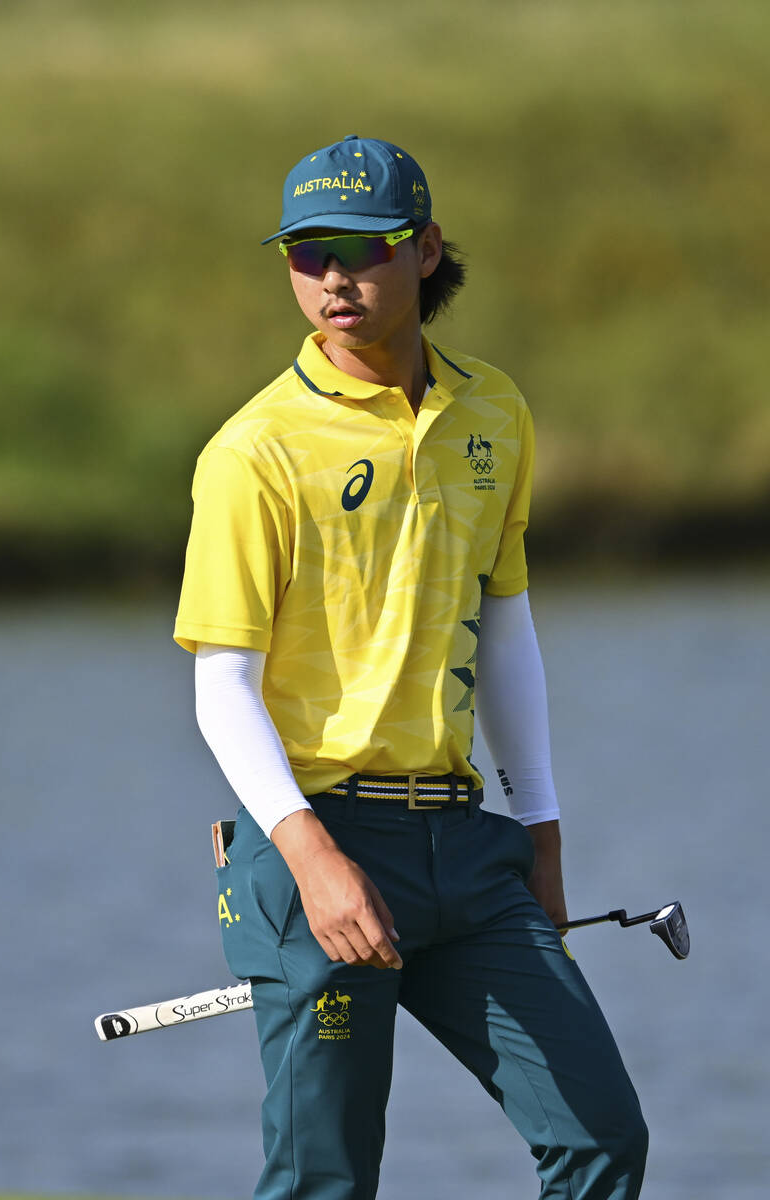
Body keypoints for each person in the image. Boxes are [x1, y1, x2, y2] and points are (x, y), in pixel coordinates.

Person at [174, 134, 648, 1200]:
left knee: (599, 1139)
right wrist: (313, 859)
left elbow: (507, 629)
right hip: (317, 841)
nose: (334, 278)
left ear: (426, 249)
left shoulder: (494, 411)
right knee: (324, 1181)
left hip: (467, 849)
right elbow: (221, 685)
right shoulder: (254, 451)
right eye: (306, 255)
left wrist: (540, 834)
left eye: (362, 249)